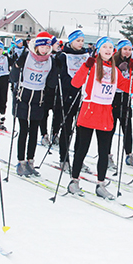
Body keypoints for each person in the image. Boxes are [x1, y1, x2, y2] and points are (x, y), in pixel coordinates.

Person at [66, 36, 133, 198]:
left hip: (106, 113)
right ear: (98, 49)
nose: (107, 50)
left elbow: (130, 88)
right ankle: (74, 181)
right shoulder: (92, 67)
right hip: (89, 112)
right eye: (104, 47)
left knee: (104, 151)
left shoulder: (115, 70)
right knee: (81, 149)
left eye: (110, 47)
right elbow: (76, 83)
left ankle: (100, 184)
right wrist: (86, 66)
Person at [9, 32, 58, 176]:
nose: (44, 49)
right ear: (36, 45)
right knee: (23, 129)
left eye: (47, 46)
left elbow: (51, 83)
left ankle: (30, 161)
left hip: (39, 97)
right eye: (42, 46)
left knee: (34, 130)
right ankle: (21, 162)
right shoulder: (27, 55)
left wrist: (57, 71)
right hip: (23, 95)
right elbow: (13, 76)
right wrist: (17, 65)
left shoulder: (51, 60)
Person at [57, 29, 91, 172]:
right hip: (68, 95)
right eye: (78, 40)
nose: (81, 43)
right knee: (67, 128)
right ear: (71, 41)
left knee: (82, 131)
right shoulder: (63, 56)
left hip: (83, 95)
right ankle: (63, 158)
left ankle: (79, 159)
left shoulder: (86, 55)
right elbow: (62, 76)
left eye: (82, 41)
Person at [106, 39, 133, 170]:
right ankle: (107, 156)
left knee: (127, 129)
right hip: (113, 98)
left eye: (129, 49)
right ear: (119, 50)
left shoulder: (131, 63)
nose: (127, 52)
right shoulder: (112, 62)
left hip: (125, 98)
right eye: (125, 49)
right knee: (111, 129)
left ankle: (129, 155)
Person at [40, 36, 62, 147]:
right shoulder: (45, 57)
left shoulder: (60, 56)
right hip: (46, 88)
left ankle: (55, 133)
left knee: (57, 113)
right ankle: (44, 134)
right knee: (44, 113)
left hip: (57, 89)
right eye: (56, 43)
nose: (58, 45)